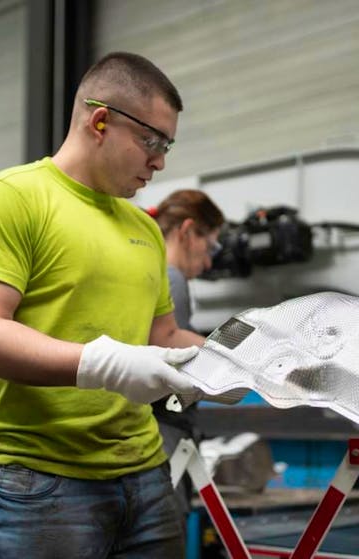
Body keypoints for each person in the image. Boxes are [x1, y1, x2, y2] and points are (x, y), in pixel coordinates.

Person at [0, 52, 206, 558]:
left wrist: (241, 361)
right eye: (152, 141)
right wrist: (103, 364)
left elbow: (163, 338)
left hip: (146, 476)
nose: (160, 162)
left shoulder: (143, 229)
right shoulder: (10, 199)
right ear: (101, 121)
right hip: (40, 484)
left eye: (167, 145)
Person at [149, 189, 225, 522]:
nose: (208, 263)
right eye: (210, 247)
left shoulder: (151, 271)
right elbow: (170, 351)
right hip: (162, 435)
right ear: (188, 231)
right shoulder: (171, 278)